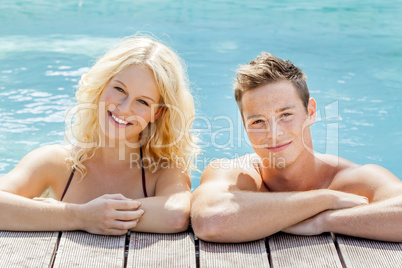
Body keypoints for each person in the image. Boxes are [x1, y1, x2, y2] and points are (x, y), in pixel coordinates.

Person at [191, 52, 402, 243]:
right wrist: (324, 199)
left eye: (285, 115)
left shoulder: (354, 179)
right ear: (244, 125)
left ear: (310, 112)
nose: (274, 133)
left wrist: (324, 221)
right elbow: (209, 221)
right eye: (257, 121)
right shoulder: (234, 173)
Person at [0, 35, 199, 235]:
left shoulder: (164, 170)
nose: (124, 108)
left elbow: (175, 215)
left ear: (157, 113)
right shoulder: (54, 162)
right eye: (119, 89)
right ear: (102, 86)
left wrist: (54, 213)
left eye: (143, 102)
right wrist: (81, 216)